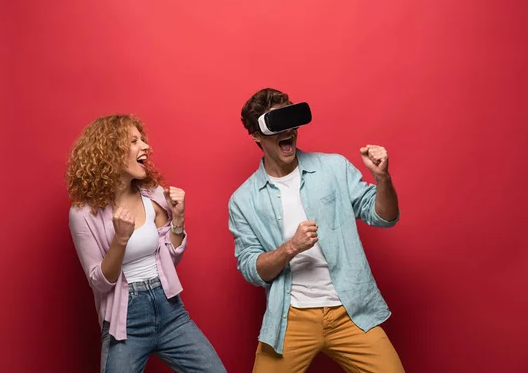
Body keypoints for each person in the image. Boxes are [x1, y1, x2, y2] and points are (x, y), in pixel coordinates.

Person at [228, 88, 406, 373]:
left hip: (349, 311)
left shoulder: (333, 168)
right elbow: (252, 269)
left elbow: (384, 217)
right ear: (257, 135)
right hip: (291, 317)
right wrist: (291, 248)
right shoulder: (243, 200)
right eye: (276, 124)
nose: (288, 131)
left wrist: (382, 179)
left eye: (290, 120)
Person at [66, 114, 226, 373]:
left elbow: (169, 259)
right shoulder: (83, 214)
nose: (146, 147)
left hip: (170, 310)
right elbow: (98, 281)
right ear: (110, 151)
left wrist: (179, 218)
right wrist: (120, 240)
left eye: (143, 140)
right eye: (133, 141)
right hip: (125, 322)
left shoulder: (153, 196)